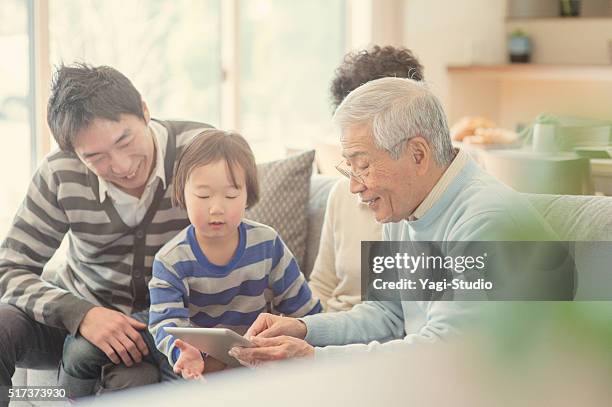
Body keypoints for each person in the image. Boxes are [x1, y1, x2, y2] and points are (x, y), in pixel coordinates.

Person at [229, 77, 565, 365]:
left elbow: (442, 352)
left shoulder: (485, 222)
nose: (355, 186)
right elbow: (386, 314)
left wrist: (314, 359)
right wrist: (305, 329)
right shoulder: (402, 207)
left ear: (418, 155)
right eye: (350, 167)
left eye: (363, 166)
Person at [0, 63, 212, 401]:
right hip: (79, 319)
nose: (122, 166)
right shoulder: (60, 173)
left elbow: (246, 247)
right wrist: (81, 314)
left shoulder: (200, 152)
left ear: (144, 110)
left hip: (171, 327)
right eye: (95, 157)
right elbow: (10, 269)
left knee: (131, 377)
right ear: (74, 154)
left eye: (125, 140)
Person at [147, 130, 322, 379]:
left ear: (248, 195)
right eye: (203, 195)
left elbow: (304, 310)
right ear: (182, 193)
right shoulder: (171, 260)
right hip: (201, 367)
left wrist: (316, 346)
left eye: (230, 195)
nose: (216, 208)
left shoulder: (267, 243)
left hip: (258, 362)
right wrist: (184, 354)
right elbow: (165, 324)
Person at [309, 45, 424, 312]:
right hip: (333, 334)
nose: (356, 183)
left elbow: (398, 318)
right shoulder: (342, 194)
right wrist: (305, 332)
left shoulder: (428, 208)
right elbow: (322, 287)